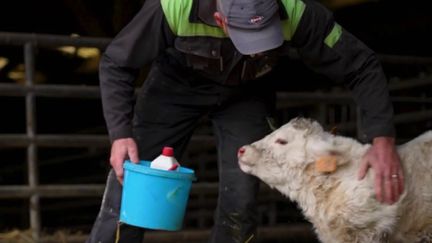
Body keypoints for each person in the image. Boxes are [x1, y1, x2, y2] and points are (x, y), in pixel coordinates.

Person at [86, 0, 405, 242]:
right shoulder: (172, 7)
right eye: (249, 39)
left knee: (241, 198)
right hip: (175, 87)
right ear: (219, 19)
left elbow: (361, 64)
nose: (256, 50)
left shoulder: (297, 11)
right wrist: (120, 134)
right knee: (132, 183)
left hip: (248, 92)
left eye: (266, 36)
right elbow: (116, 61)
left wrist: (382, 138)